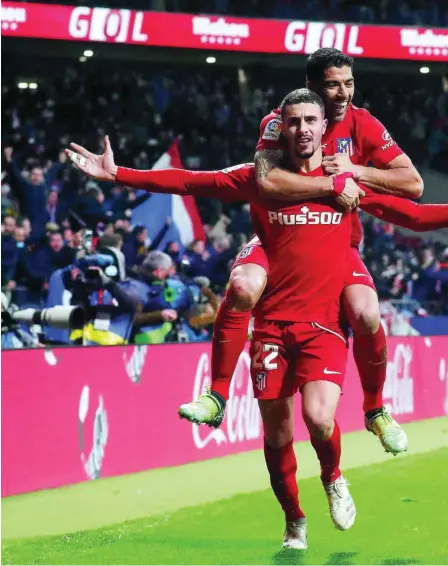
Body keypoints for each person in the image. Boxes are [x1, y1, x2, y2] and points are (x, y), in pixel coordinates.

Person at [66, 92, 448, 549]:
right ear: (280, 128)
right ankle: (294, 520)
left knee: (320, 419)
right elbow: (189, 181)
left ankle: (333, 477)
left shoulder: (347, 184)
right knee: (278, 433)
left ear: (326, 128)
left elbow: (417, 215)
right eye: (294, 121)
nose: (303, 129)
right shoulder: (259, 180)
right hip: (271, 328)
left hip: (322, 325)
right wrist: (118, 174)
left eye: (311, 120)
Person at [178, 48, 425, 456]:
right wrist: (331, 186)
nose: (343, 92)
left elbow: (413, 185)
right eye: (332, 84)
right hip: (278, 240)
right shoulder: (281, 122)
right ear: (311, 86)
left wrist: (354, 170)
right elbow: (267, 183)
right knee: (242, 286)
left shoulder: (362, 124)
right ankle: (217, 395)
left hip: (336, 243)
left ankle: (376, 409)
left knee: (366, 312)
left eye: (348, 83)